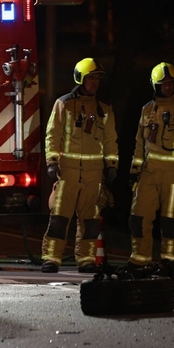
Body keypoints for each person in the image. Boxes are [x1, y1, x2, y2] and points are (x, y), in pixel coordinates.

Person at [40, 58, 119, 273]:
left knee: (90, 221)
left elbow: (111, 139)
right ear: (80, 78)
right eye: (91, 78)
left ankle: (86, 259)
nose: (94, 83)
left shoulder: (104, 109)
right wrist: (52, 161)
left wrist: (112, 164)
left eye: (97, 79)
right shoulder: (64, 104)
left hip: (94, 175)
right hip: (68, 172)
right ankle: (51, 258)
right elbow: (52, 134)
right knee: (59, 218)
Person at [127, 62, 174, 279]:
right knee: (138, 217)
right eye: (163, 84)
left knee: (171, 221)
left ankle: (170, 261)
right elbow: (139, 144)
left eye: (171, 83)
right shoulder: (147, 109)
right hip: (149, 174)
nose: (168, 87)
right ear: (155, 85)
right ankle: (139, 259)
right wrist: (135, 170)